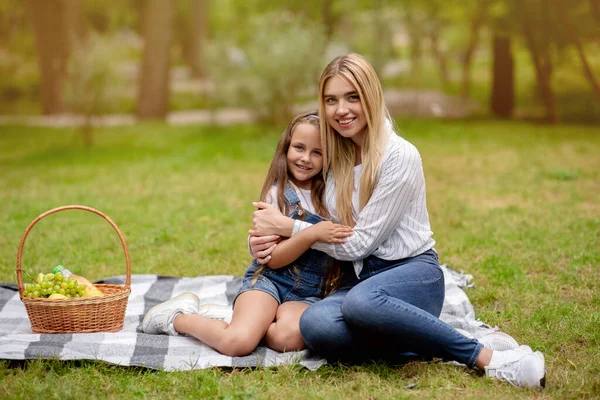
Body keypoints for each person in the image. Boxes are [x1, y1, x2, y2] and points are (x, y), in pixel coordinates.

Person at [249, 53, 546, 389]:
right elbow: (299, 196)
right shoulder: (336, 155)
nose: (340, 110)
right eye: (331, 100)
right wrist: (265, 233)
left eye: (352, 97)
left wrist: (289, 228)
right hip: (358, 279)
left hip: (412, 275)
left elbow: (358, 244)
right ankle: (430, 340)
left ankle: (489, 358)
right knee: (316, 324)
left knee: (363, 304)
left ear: (371, 96)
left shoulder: (400, 156)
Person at [141, 111, 353, 357]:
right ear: (286, 148)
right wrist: (311, 234)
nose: (306, 158)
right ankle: (179, 318)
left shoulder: (334, 196)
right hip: (270, 281)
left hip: (307, 294)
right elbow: (271, 259)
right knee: (238, 344)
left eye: (317, 152)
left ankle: (238, 319)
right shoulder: (278, 196)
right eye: (299, 147)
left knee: (287, 339)